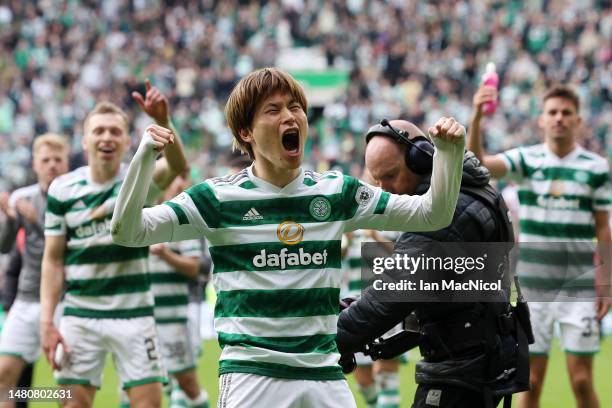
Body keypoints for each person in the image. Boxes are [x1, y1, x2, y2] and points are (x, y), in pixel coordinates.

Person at [110, 67, 466, 407]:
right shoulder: (216, 199)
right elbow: (127, 231)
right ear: (246, 132)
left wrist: (449, 154)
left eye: (296, 107)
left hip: (324, 375)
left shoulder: (336, 192)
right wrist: (143, 158)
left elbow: (432, 214)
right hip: (252, 377)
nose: (290, 116)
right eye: (273, 110)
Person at [336, 119, 531, 408]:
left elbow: (392, 295)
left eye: (390, 176)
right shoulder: (471, 191)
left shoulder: (445, 215)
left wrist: (322, 338)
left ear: (421, 158)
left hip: (461, 371)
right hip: (477, 363)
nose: (384, 190)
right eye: (376, 181)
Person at [40, 81, 188, 408]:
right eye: (99, 131)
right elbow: (52, 260)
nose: (107, 137)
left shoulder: (139, 180)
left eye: (115, 132)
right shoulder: (62, 189)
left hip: (134, 312)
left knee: (148, 405)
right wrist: (47, 322)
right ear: (85, 140)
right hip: (80, 314)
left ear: (125, 142)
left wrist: (164, 121)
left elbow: (177, 166)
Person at [468, 84, 611, 408]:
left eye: (566, 113)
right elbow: (478, 165)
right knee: (530, 382)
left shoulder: (595, 167)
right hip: (534, 290)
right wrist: (476, 117)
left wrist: (606, 283)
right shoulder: (527, 160)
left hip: (581, 288)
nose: (559, 118)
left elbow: (603, 228)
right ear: (541, 120)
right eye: (553, 112)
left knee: (582, 380)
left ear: (578, 120)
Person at [0, 134, 70, 408]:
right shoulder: (22, 197)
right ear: (35, 164)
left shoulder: (76, 196)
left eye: (57, 159)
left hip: (66, 299)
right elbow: (4, 246)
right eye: (46, 160)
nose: (52, 165)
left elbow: (66, 248)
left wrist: (35, 220)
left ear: (66, 164)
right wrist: (7, 218)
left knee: (68, 385)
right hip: (27, 297)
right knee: (5, 377)